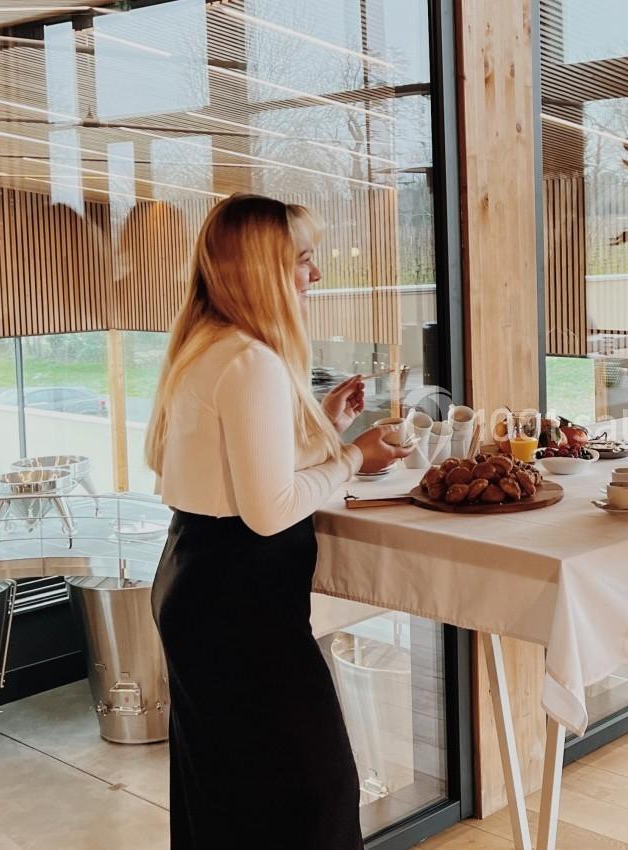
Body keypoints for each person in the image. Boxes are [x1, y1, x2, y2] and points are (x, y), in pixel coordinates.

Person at [145, 194, 409, 849]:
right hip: (240, 604)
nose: (314, 276)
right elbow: (266, 512)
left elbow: (227, 474)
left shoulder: (204, 345)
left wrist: (325, 424)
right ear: (264, 270)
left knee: (228, 801)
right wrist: (354, 457)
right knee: (314, 796)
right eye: (303, 261)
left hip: (193, 577)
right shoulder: (253, 361)